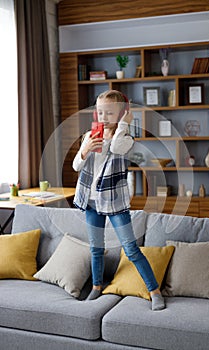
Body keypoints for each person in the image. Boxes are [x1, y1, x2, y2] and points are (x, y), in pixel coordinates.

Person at [72, 90, 165, 311]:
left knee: (131, 249)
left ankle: (154, 291)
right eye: (100, 111)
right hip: (91, 201)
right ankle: (96, 287)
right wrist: (85, 150)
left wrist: (124, 123)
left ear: (122, 114)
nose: (103, 116)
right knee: (96, 248)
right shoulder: (89, 136)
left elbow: (115, 148)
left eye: (109, 112)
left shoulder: (125, 138)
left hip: (113, 202)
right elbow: (77, 165)